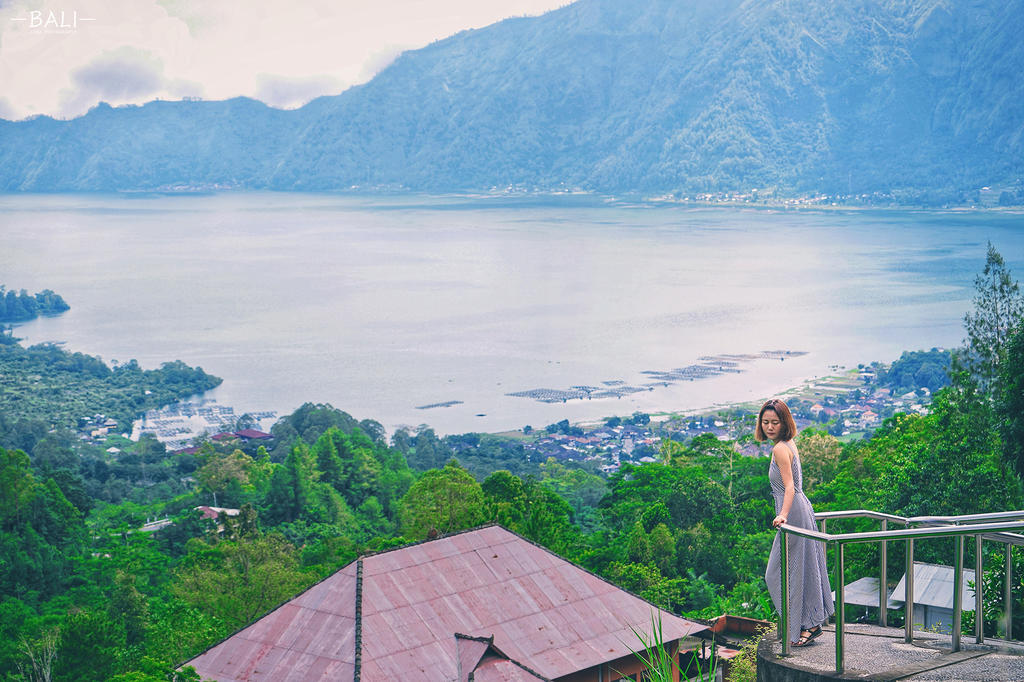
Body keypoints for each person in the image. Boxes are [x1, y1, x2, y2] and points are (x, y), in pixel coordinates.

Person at [758, 398, 834, 646]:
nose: (769, 426)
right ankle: (810, 623)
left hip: (792, 513)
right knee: (802, 569)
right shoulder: (786, 443)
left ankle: (808, 623)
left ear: (784, 423)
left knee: (776, 573)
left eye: (775, 422)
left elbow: (789, 487)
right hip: (799, 509)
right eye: (765, 421)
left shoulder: (780, 448)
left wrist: (783, 515)